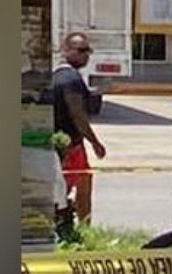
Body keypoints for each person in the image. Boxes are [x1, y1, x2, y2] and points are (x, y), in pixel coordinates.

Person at [52, 32, 106, 224]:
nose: (86, 55)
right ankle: (81, 226)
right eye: (81, 50)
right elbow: (77, 115)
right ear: (66, 51)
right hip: (70, 146)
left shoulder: (57, 76)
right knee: (76, 188)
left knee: (74, 185)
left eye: (88, 50)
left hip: (63, 143)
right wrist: (95, 142)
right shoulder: (71, 79)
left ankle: (74, 224)